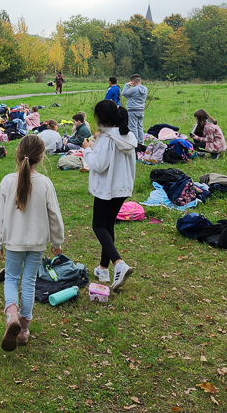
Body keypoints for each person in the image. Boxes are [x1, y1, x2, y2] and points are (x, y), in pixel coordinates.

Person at [0, 134, 65, 351]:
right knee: (29, 282)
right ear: (41, 157)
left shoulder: (7, 181)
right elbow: (55, 215)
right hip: (36, 244)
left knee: (12, 278)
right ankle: (23, 330)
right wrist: (57, 241)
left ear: (17, 154)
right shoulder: (45, 183)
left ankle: (11, 314)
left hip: (13, 242)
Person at [83, 99, 138, 291]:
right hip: (122, 188)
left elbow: (98, 165)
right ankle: (103, 269)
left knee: (98, 226)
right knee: (108, 226)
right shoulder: (127, 135)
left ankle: (119, 263)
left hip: (106, 189)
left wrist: (88, 149)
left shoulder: (107, 139)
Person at [121, 74, 147, 143]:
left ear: (133, 81)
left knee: (133, 127)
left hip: (132, 110)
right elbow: (130, 96)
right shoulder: (145, 89)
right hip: (141, 110)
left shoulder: (134, 89)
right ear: (140, 80)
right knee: (140, 127)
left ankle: (135, 143)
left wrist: (127, 84)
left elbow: (124, 93)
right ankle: (142, 142)